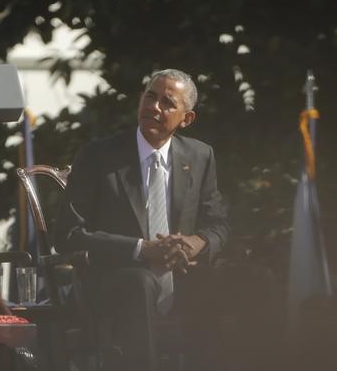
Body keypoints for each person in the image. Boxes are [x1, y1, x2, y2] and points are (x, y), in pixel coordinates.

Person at [56, 69, 229, 370]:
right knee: (140, 282)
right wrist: (140, 248)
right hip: (115, 280)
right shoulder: (99, 156)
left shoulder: (200, 156)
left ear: (186, 119)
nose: (154, 107)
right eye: (150, 96)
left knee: (246, 278)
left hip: (181, 275)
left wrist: (194, 243)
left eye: (167, 103)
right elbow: (67, 234)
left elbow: (219, 225)